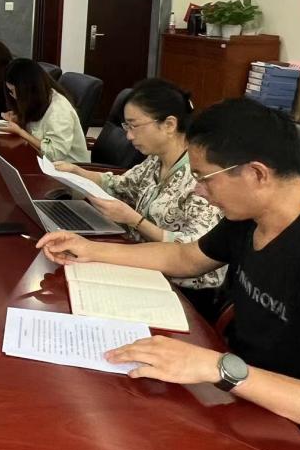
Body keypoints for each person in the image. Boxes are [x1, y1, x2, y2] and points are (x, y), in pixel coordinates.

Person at [36, 98, 300, 450]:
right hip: (243, 396)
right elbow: (185, 257)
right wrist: (90, 250)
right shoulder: (250, 216)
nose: (198, 191)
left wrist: (216, 367)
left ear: (257, 174)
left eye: (204, 179)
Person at [53, 79, 224, 318]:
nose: (129, 136)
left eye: (134, 126)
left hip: (183, 288)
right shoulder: (156, 160)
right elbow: (120, 185)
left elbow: (192, 249)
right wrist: (78, 172)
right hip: (143, 264)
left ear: (169, 124)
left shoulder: (201, 176)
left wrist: (135, 220)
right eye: (126, 126)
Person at [0, 58, 90, 162]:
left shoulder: (58, 110)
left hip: (67, 168)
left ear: (27, 88)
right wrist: (19, 119)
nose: (13, 96)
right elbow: (38, 129)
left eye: (13, 91)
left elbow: (54, 154)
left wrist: (21, 132)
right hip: (41, 160)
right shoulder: (40, 99)